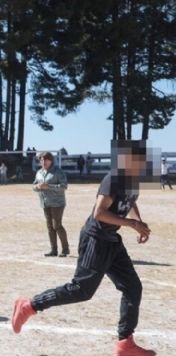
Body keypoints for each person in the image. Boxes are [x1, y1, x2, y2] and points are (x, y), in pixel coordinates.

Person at [12, 140, 156, 356]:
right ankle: (29, 305)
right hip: (95, 238)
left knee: (133, 287)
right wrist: (132, 224)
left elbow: (130, 201)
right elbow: (99, 213)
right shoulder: (113, 179)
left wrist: (138, 222)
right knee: (82, 290)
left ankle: (125, 343)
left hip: (111, 239)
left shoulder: (134, 180)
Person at [33, 152, 70, 257]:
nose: (43, 162)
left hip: (57, 203)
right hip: (45, 202)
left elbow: (64, 186)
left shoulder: (58, 172)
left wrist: (48, 186)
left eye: (46, 160)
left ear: (51, 160)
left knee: (57, 225)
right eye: (41, 160)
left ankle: (65, 249)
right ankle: (53, 250)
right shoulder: (39, 173)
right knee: (50, 227)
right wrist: (38, 187)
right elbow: (33, 186)